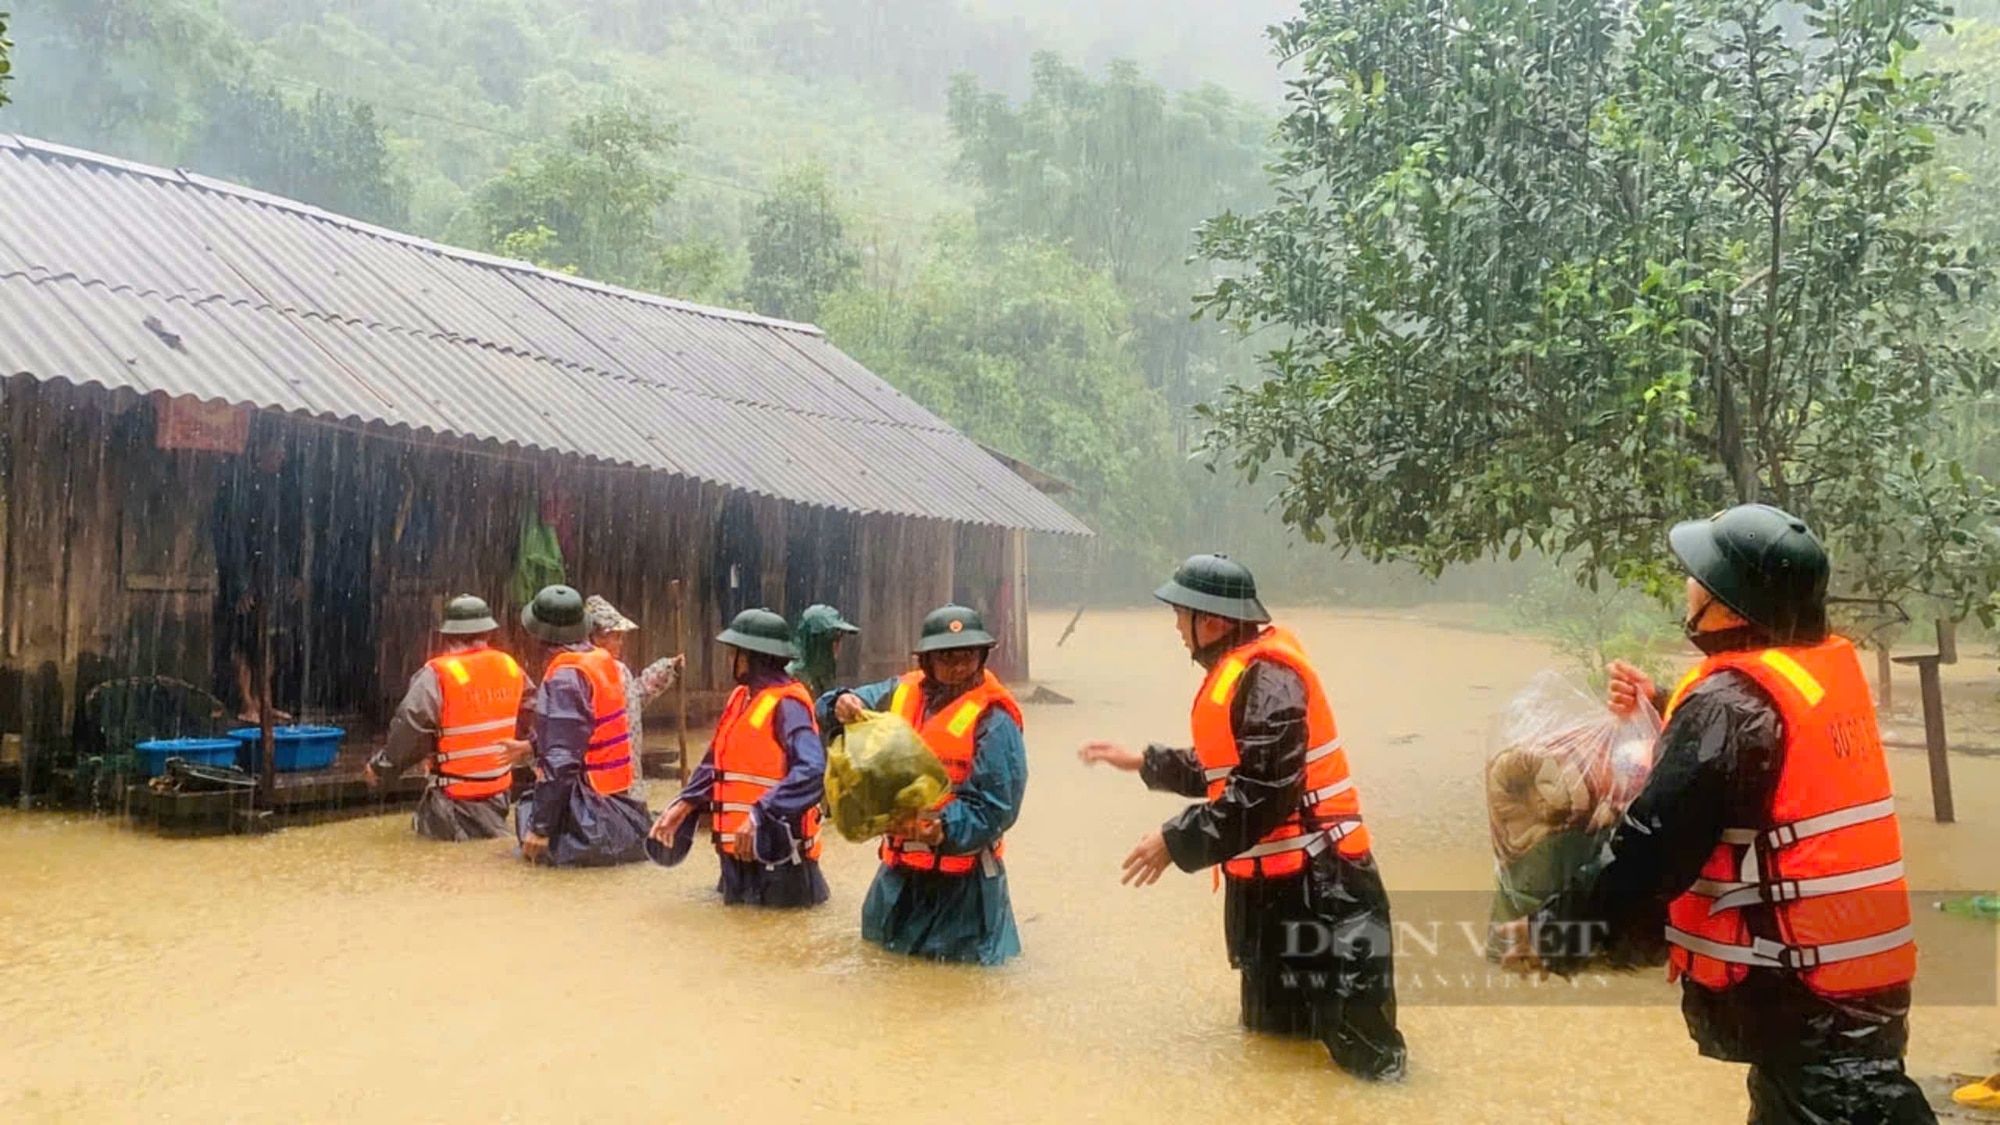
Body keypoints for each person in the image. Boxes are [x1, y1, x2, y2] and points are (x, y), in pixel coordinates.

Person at [1505, 505, 1932, 1124]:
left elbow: (1649, 851)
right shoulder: (1811, 675)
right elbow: (1755, 764)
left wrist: (1555, 934)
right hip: (1852, 984)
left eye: (1698, 575)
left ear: (1730, 603)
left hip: (1804, 995)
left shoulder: (1728, 707)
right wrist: (1660, 704)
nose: (1688, 584)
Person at [1079, 554, 1407, 1082]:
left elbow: (1263, 793)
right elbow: (1226, 770)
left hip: (1326, 891)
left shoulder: (1271, 680)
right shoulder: (1241, 676)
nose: (1177, 631)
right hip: (1271, 896)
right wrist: (1144, 761)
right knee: (1273, 1049)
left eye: (1181, 616)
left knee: (1364, 1062)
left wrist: (1174, 840)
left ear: (1211, 621)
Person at [821, 605, 1027, 966]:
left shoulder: (994, 719)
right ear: (927, 660)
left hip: (964, 891)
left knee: (961, 990)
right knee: (883, 972)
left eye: (967, 655)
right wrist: (839, 703)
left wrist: (942, 828)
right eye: (947, 657)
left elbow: (998, 806)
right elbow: (836, 707)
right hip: (899, 881)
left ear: (981, 656)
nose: (958, 666)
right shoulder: (899, 691)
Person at [649, 609, 829, 908]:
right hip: (738, 856)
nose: (728, 659)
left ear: (750, 657)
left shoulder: (788, 704)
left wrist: (762, 813)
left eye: (733, 652)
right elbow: (715, 763)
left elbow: (812, 771)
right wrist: (685, 803)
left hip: (781, 863)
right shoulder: (741, 698)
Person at [365, 595, 529, 841]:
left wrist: (382, 768)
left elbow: (411, 726)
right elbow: (540, 714)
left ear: (448, 635)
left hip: (453, 798)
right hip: (499, 792)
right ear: (488, 632)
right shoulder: (510, 667)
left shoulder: (438, 674)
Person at [514, 584, 651, 867]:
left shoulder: (566, 676)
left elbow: (563, 757)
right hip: (615, 798)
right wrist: (532, 745)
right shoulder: (602, 661)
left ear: (541, 635)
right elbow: (586, 729)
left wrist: (540, 827)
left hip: (585, 800)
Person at [209, 432, 304, 723]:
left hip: (271, 576)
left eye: (283, 452)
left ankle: (265, 701)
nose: (281, 458)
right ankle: (247, 702)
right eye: (276, 451)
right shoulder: (239, 490)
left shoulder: (279, 489)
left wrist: (293, 575)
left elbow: (287, 538)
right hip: (244, 577)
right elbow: (233, 539)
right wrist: (240, 585)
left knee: (270, 640)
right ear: (260, 453)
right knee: (243, 641)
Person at [583, 595, 684, 800]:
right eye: (617, 637)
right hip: (602, 782)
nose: (621, 643)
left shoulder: (618, 670)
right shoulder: (586, 673)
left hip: (626, 777)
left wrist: (666, 669)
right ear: (598, 638)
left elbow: (634, 700)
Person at [787, 603, 859, 700]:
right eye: (835, 639)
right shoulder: (788, 682)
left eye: (840, 638)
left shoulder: (822, 680)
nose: (838, 646)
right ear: (818, 642)